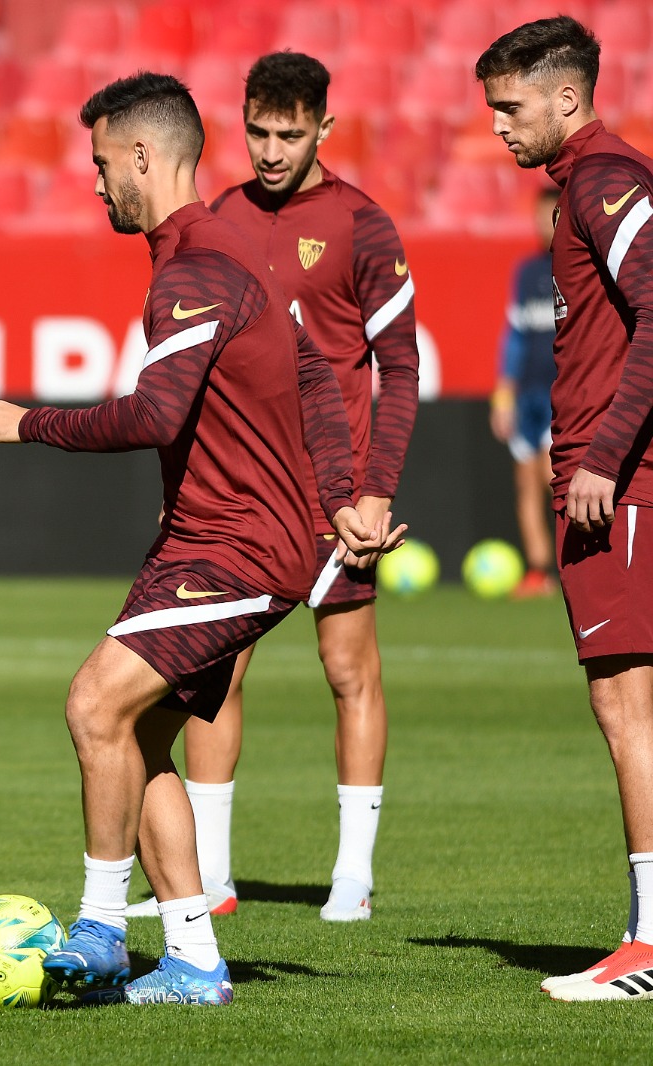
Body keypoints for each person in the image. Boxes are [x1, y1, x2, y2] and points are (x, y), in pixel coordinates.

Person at [0, 72, 393, 1006]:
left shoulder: (198, 266)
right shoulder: (223, 252)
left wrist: (25, 422)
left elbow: (156, 416)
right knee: (138, 733)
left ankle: (100, 926)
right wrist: (344, 500)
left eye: (98, 164)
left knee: (91, 703)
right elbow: (320, 378)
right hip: (210, 538)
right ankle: (196, 960)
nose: (93, 185)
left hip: (238, 546)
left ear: (140, 155)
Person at [127, 51, 421, 924]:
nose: (269, 149)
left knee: (347, 669)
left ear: (324, 129)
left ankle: (353, 878)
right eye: (257, 130)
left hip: (339, 495)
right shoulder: (215, 218)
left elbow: (398, 369)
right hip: (248, 492)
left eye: (289, 134)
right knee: (216, 674)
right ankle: (211, 879)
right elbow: (187, 373)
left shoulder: (363, 225)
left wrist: (376, 487)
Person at [478, 14, 653, 1001]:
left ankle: (647, 944)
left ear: (566, 97)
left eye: (510, 106)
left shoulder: (602, 178)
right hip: (612, 475)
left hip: (616, 484)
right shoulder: (587, 183)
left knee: (624, 703)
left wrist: (604, 457)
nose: (499, 127)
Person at [490, 186, 561, 597]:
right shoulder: (527, 272)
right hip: (528, 393)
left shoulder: (578, 267)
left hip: (562, 393)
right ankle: (538, 571)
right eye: (537, 215)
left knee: (554, 476)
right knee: (526, 482)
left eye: (549, 214)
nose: (541, 223)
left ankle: (573, 566)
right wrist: (504, 394)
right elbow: (515, 335)